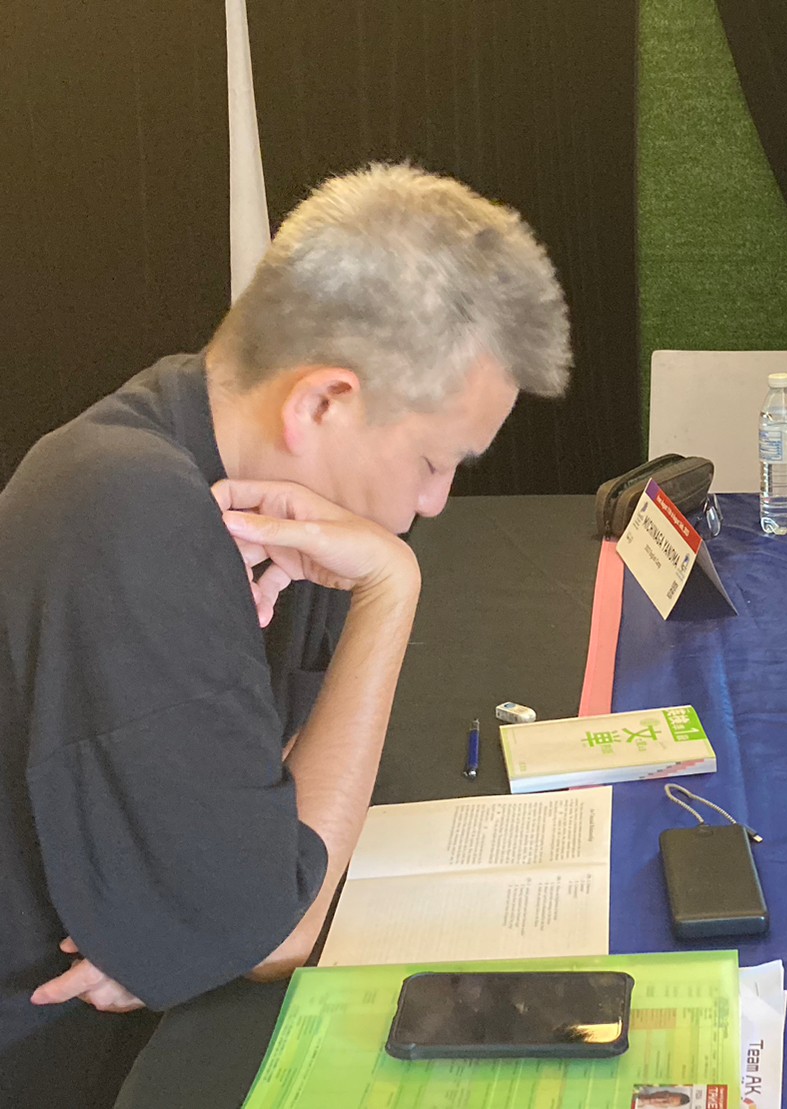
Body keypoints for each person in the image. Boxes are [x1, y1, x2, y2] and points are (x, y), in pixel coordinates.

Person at [0, 164, 571, 1106]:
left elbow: (278, 815)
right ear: (320, 404)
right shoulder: (127, 511)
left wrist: (208, 911)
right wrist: (391, 588)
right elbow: (278, 929)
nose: (436, 502)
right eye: (433, 462)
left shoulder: (232, 467)